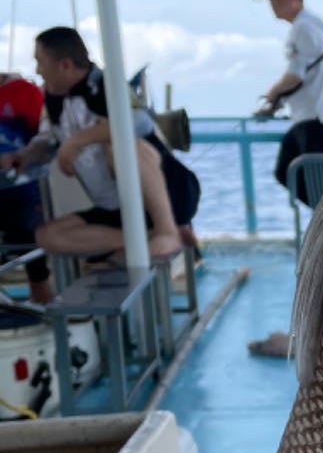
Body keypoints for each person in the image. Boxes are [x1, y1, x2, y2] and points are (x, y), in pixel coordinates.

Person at [1, 27, 199, 264]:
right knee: (47, 236)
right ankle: (146, 238)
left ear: (65, 65)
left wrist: (77, 140)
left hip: (171, 194)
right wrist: (25, 156)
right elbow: (48, 140)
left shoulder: (107, 84)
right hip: (116, 209)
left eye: (40, 62)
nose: (37, 71)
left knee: (122, 148)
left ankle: (166, 229)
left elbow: (140, 121)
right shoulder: (53, 100)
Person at [251, 0, 323, 200]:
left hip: (315, 119)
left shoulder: (303, 27)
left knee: (318, 187)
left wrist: (272, 94)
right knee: (288, 173)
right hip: (310, 117)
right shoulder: (311, 25)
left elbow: (295, 75)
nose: (272, 4)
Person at [0, 69, 52, 303]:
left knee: (29, 239)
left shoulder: (24, 93)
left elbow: (44, 140)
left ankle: (43, 302)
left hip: (21, 194)